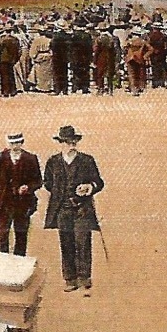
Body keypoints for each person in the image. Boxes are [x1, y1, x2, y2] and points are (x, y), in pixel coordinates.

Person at [43, 125, 103, 294]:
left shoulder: (87, 160)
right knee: (66, 243)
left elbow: (99, 182)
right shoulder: (53, 162)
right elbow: (47, 182)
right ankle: (70, 279)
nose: (72, 145)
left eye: (74, 142)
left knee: (83, 242)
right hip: (63, 210)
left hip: (83, 209)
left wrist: (89, 187)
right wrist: (59, 192)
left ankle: (85, 278)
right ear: (61, 143)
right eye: (68, 142)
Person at [0, 132, 42, 256]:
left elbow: (38, 181)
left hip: (23, 204)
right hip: (4, 203)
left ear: (22, 143)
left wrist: (28, 187)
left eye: (17, 143)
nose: (15, 146)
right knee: (3, 235)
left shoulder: (30, 158)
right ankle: (2, 265)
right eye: (12, 143)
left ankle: (19, 266)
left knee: (21, 235)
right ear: (8, 144)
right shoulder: (1, 157)